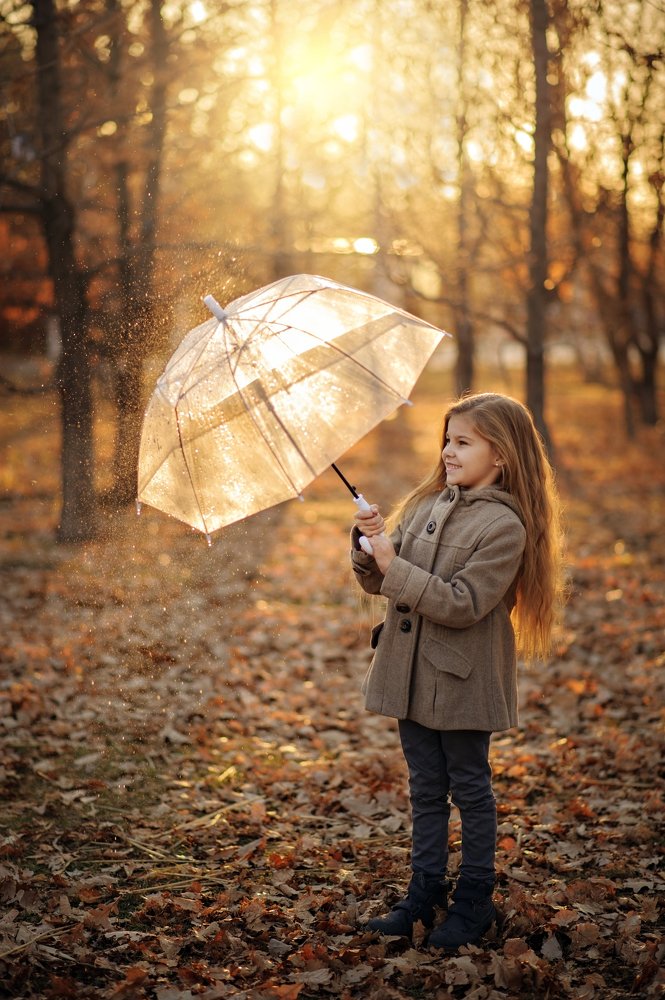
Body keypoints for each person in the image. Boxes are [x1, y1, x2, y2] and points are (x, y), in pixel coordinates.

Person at [351, 392, 563, 952]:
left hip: (462, 679)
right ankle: (424, 890)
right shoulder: (427, 504)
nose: (447, 450)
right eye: (447, 439)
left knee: (468, 787)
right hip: (410, 673)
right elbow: (382, 581)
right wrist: (370, 545)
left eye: (463, 441)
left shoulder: (505, 527)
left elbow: (463, 603)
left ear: (502, 455)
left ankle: (474, 900)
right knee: (424, 786)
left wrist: (394, 565)